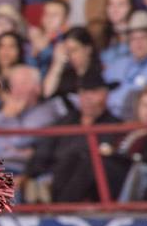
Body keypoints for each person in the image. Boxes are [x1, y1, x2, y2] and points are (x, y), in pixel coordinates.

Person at [26, 68, 128, 203]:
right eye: (84, 92)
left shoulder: (116, 127)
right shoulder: (65, 122)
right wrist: (30, 175)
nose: (88, 98)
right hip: (57, 176)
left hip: (94, 189)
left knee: (84, 160)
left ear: (106, 95)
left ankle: (58, 207)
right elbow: (44, 150)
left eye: (94, 92)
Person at [0, 64, 64, 175]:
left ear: (37, 88)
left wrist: (9, 118)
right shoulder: (3, 113)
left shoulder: (44, 113)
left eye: (23, 84)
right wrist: (5, 115)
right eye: (13, 85)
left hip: (18, 174)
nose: (17, 90)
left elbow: (18, 140)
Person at [43, 26, 102, 100]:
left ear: (87, 49)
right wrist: (57, 64)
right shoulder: (67, 76)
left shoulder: (99, 74)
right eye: (67, 51)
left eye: (74, 50)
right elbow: (47, 93)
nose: (70, 55)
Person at [28, 0, 69, 75]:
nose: (49, 18)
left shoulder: (67, 39)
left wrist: (42, 42)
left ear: (65, 19)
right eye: (46, 13)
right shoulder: (33, 37)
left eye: (54, 15)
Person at [102, 0, 136, 65]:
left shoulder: (137, 34)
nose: (115, 9)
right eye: (111, 4)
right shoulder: (102, 36)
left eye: (121, 4)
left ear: (130, 7)